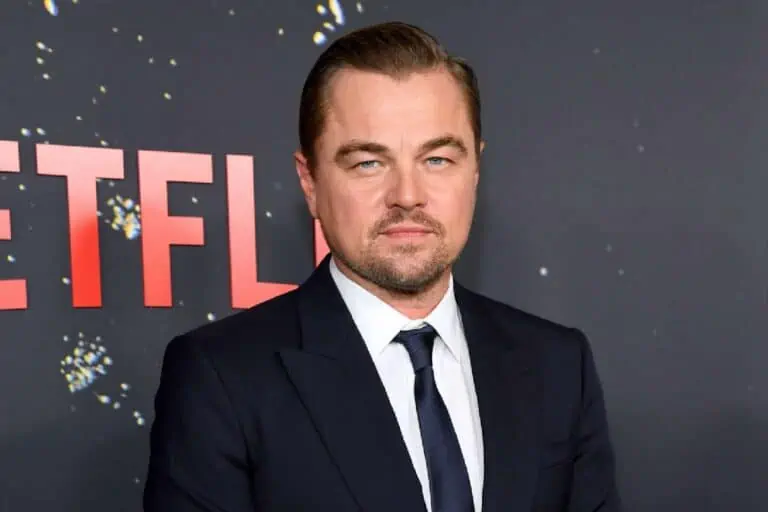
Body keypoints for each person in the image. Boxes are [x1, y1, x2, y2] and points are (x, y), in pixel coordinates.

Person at [143, 21, 620, 512]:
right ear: (310, 182)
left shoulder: (558, 365)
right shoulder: (222, 378)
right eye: (368, 163)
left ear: (475, 170)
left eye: (437, 160)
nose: (407, 196)